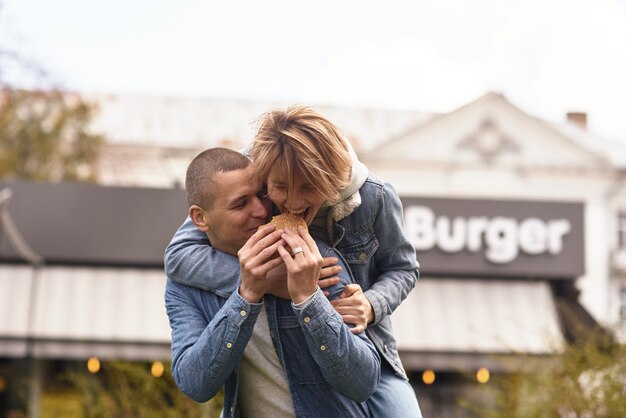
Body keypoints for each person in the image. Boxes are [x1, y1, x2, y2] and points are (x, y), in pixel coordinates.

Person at [166, 107, 422, 417]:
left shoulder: (373, 197)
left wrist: (370, 305)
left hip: (365, 332)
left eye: (308, 188)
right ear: (264, 177)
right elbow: (178, 254)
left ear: (330, 181)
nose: (292, 203)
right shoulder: (252, 176)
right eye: (280, 188)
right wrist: (267, 282)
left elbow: (404, 268)